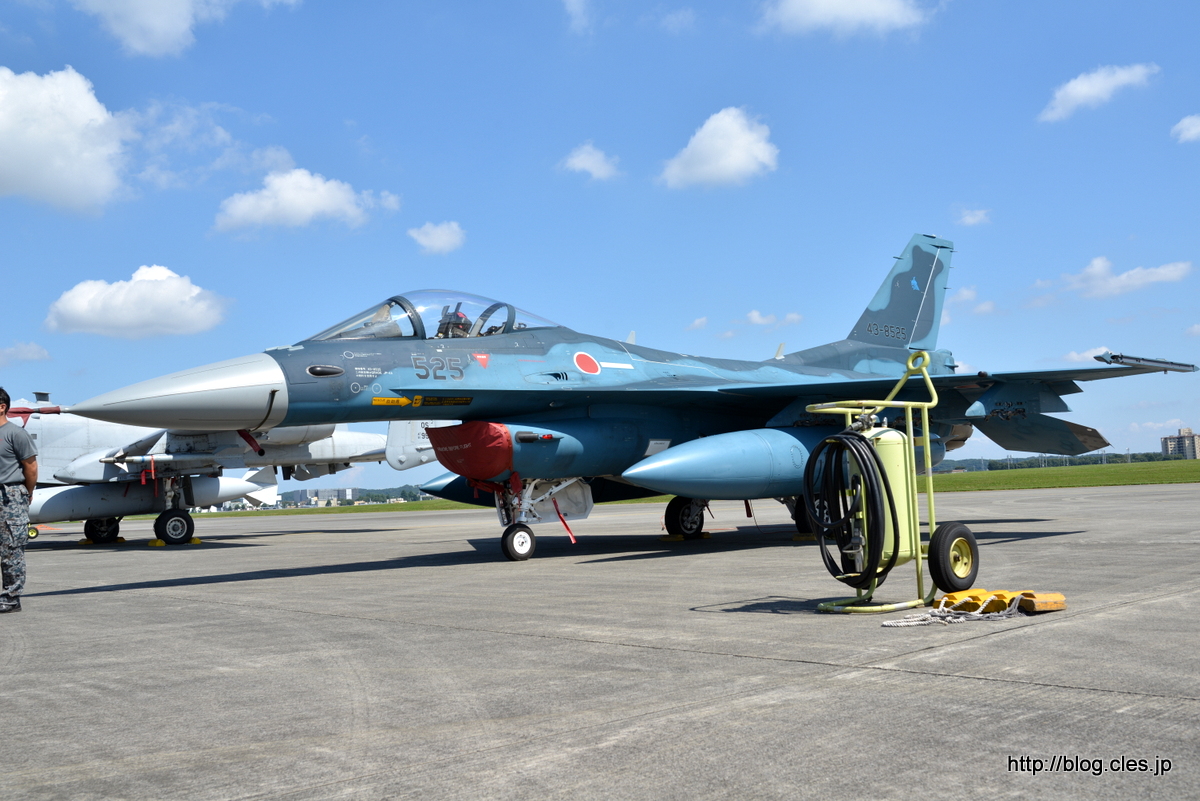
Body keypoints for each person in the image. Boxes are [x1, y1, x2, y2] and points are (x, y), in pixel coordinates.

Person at [0, 387, 37, 613]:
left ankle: (11, 598)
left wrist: (27, 492)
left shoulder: (15, 433)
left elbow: (31, 468)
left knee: (11, 548)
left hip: (9, 496)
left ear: (2, 406)